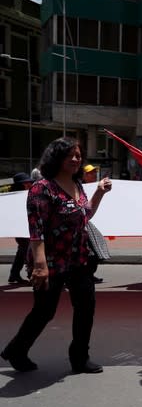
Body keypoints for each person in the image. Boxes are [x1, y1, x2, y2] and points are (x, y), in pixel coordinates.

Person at [1, 137, 112, 373]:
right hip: (50, 261)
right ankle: (17, 350)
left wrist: (100, 193)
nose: (75, 159)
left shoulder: (78, 184)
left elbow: (84, 216)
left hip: (79, 259)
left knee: (86, 307)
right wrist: (40, 266)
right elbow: (36, 228)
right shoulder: (42, 188)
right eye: (69, 155)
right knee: (44, 311)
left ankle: (80, 358)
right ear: (56, 157)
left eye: (78, 156)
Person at [81, 164, 110, 284]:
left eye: (94, 172)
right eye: (89, 173)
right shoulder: (78, 187)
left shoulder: (99, 186)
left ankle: (89, 274)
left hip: (88, 222)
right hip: (82, 224)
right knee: (90, 253)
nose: (93, 174)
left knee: (96, 250)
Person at [8, 173, 34, 284]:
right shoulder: (14, 197)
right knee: (27, 250)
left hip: (27, 227)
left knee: (22, 251)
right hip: (20, 228)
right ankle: (31, 275)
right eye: (26, 183)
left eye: (29, 182)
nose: (29, 184)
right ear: (19, 185)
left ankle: (14, 274)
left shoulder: (27, 194)